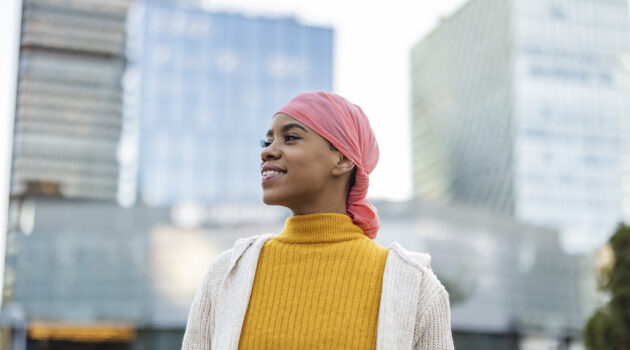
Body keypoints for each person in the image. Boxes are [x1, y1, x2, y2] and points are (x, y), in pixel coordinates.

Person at [181, 91, 454, 349]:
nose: (267, 152)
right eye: (267, 141)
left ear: (343, 159)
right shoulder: (228, 273)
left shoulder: (416, 287)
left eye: (290, 138)